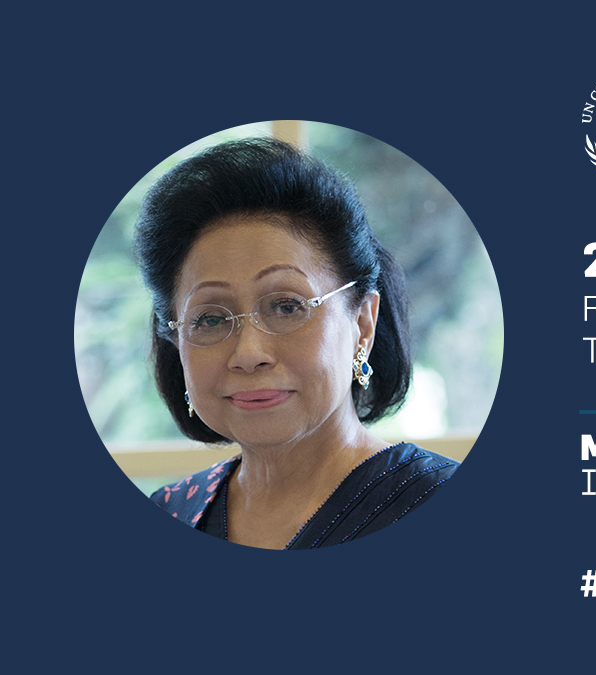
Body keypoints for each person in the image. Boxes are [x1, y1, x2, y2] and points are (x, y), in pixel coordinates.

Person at [137, 138, 458, 549]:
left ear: (362, 323)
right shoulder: (171, 511)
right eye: (210, 319)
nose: (249, 354)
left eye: (287, 307)